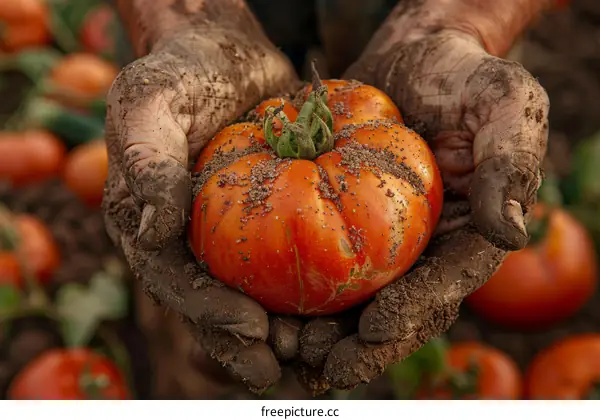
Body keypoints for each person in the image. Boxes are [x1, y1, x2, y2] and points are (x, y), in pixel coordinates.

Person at [103, 0, 558, 397]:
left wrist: (463, 20)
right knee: (188, 308)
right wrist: (182, 19)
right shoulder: (384, 149)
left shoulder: (233, 176)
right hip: (202, 52)